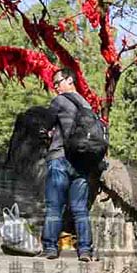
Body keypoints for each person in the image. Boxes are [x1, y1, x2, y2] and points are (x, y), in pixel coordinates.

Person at [41, 67, 94, 262]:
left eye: (57, 82)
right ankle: (85, 249)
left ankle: (50, 247)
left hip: (60, 158)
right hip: (82, 163)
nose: (55, 87)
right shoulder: (86, 105)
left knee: (54, 205)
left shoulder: (59, 101)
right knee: (80, 208)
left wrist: (47, 133)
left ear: (69, 80)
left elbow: (45, 126)